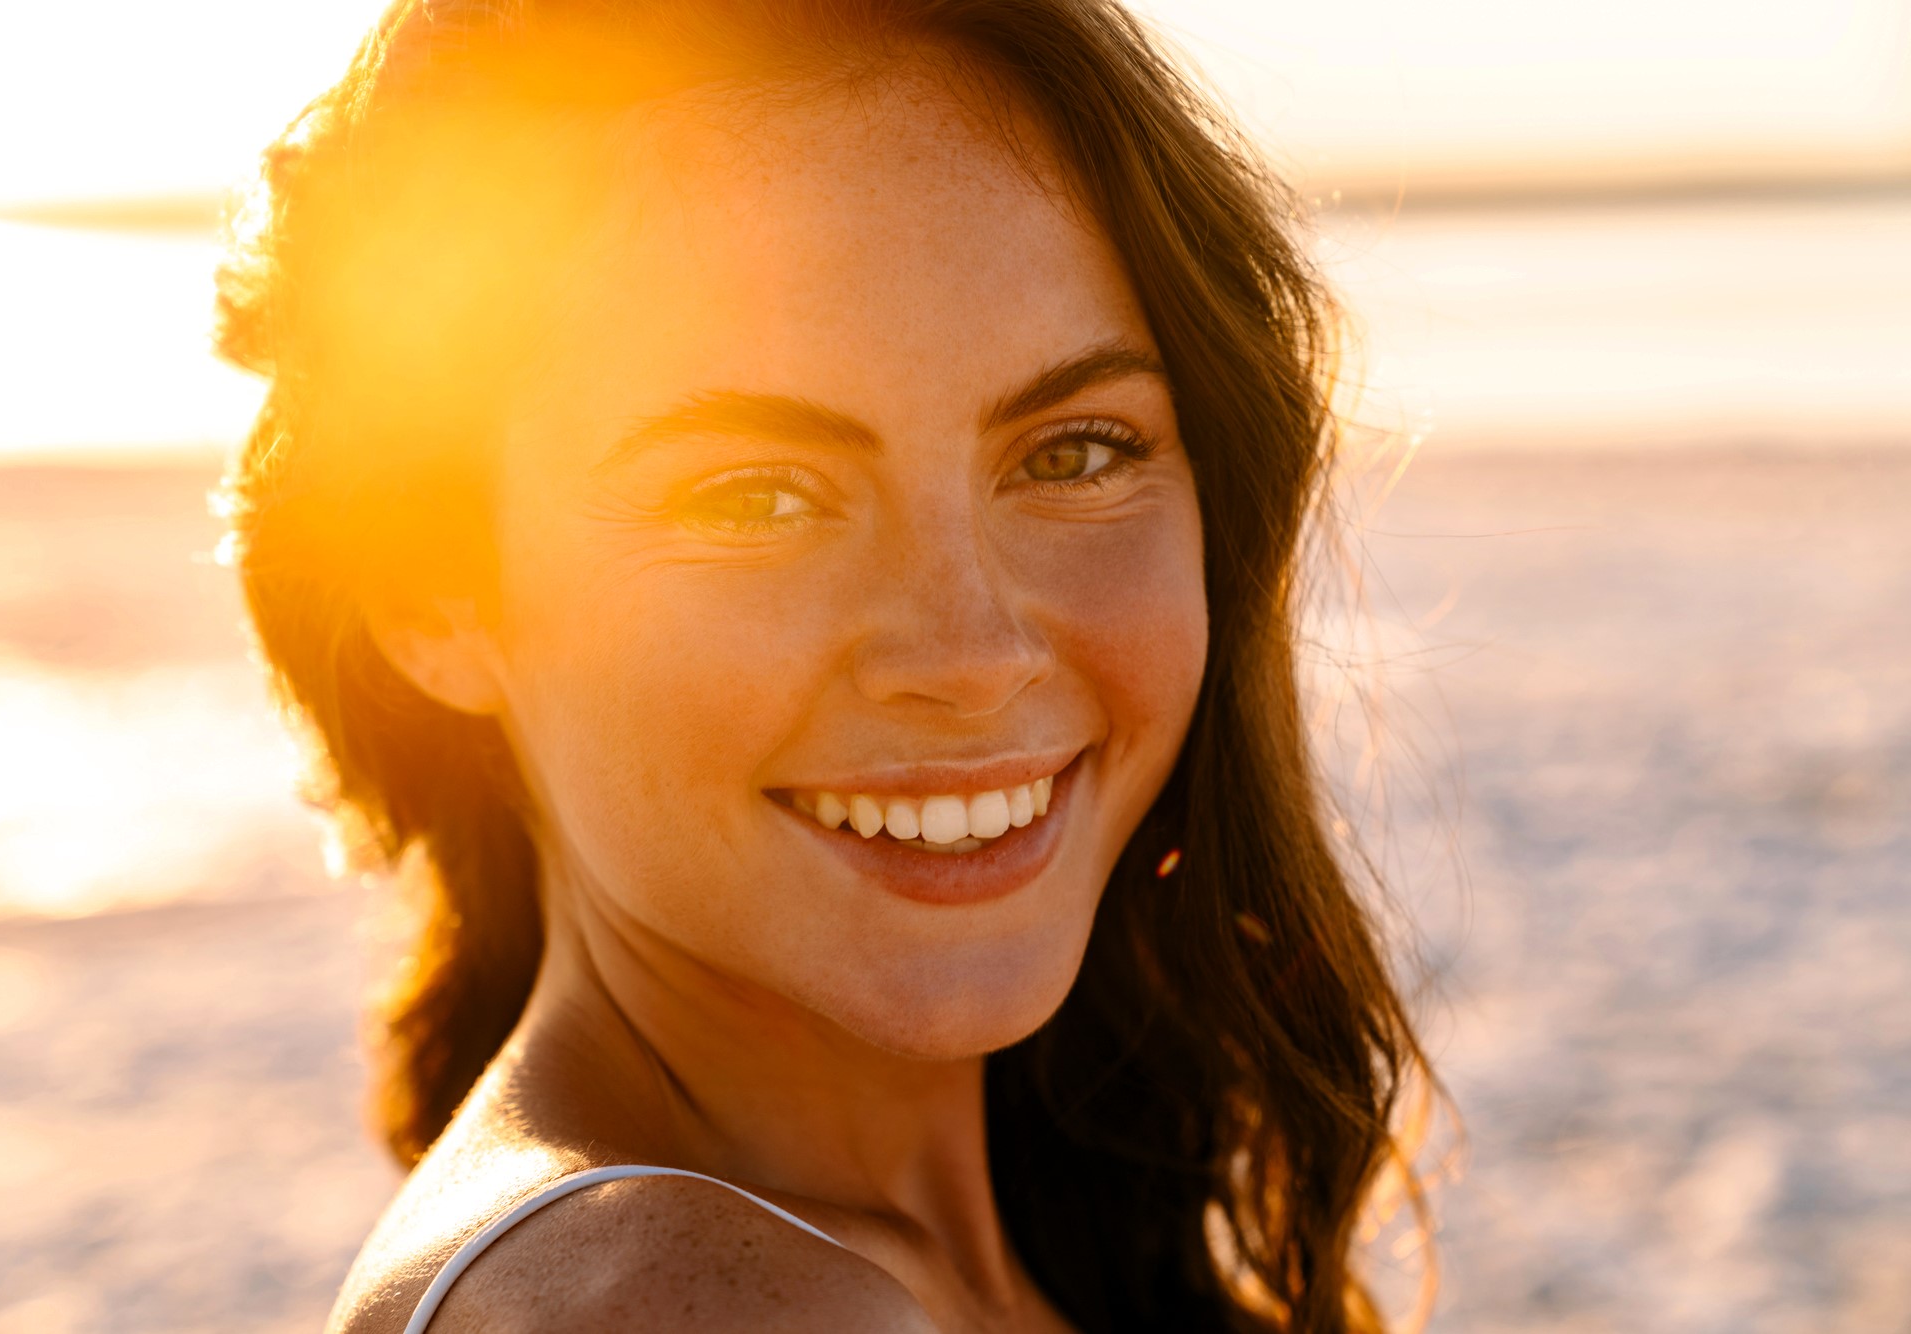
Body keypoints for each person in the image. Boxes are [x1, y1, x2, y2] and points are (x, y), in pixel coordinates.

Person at [216, 1, 1434, 1329]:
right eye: (754, 496)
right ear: (430, 593)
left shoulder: (994, 1240)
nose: (971, 654)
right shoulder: (693, 1303)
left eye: (1074, 451)